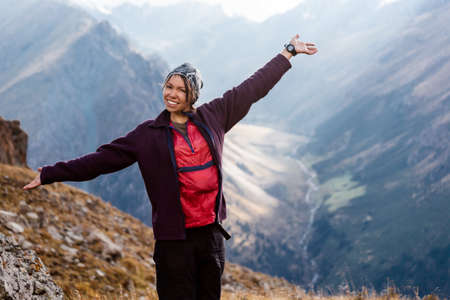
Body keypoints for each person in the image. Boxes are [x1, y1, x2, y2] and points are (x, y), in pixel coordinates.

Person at [23, 34, 317, 300]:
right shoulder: (146, 135)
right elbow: (100, 161)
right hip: (173, 243)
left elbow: (253, 88)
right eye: (169, 86)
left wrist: (288, 52)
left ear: (193, 95)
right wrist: (50, 173)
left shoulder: (215, 116)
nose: (172, 93)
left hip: (211, 238)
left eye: (180, 88)